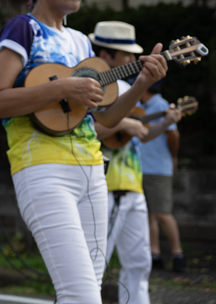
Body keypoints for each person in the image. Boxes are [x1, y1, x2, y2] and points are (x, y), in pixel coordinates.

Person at [0, 0, 169, 304]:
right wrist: (62, 88)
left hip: (93, 172)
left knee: (83, 293)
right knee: (82, 295)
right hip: (42, 171)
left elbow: (107, 118)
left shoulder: (83, 42)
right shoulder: (23, 29)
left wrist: (141, 84)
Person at [90, 21, 182, 304]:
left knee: (140, 263)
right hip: (106, 186)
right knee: (93, 268)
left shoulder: (129, 89)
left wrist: (164, 122)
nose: (133, 60)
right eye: (126, 54)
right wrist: (126, 125)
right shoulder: (91, 85)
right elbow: (88, 130)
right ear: (106, 56)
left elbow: (140, 135)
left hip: (133, 186)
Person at [138, 83, 185, 272]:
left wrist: (173, 157)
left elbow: (173, 134)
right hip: (141, 166)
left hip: (158, 168)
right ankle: (154, 254)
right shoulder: (140, 108)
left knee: (163, 213)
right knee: (148, 214)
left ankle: (178, 253)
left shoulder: (161, 105)